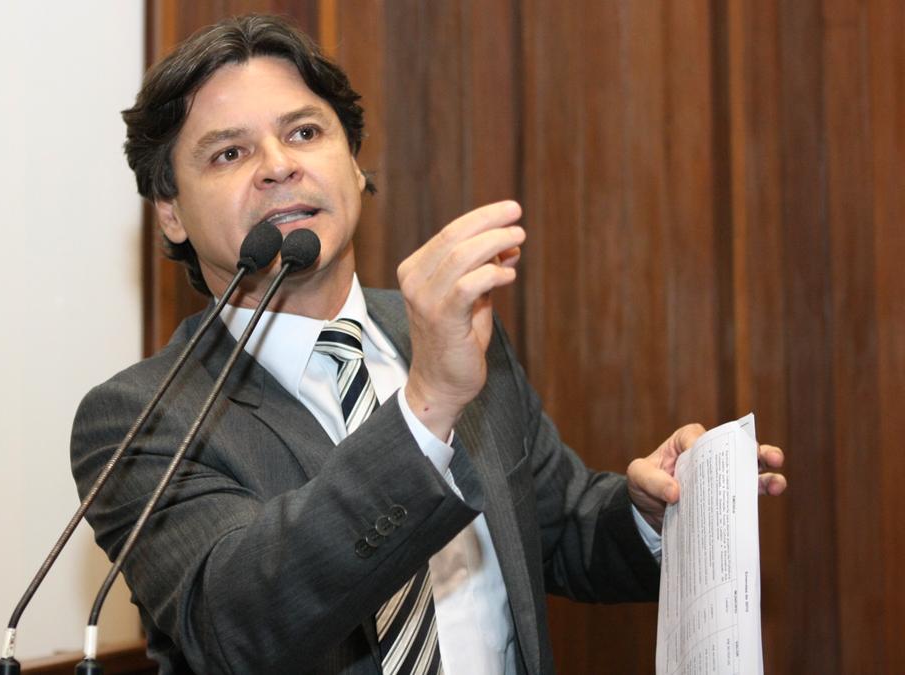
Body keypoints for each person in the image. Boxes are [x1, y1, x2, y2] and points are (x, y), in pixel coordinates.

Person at [71, 14, 786, 675]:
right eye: (230, 152)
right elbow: (240, 625)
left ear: (354, 163)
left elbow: (559, 530)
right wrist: (426, 406)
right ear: (170, 212)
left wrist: (651, 512)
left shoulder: (451, 332)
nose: (279, 165)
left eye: (305, 133)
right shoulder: (140, 420)